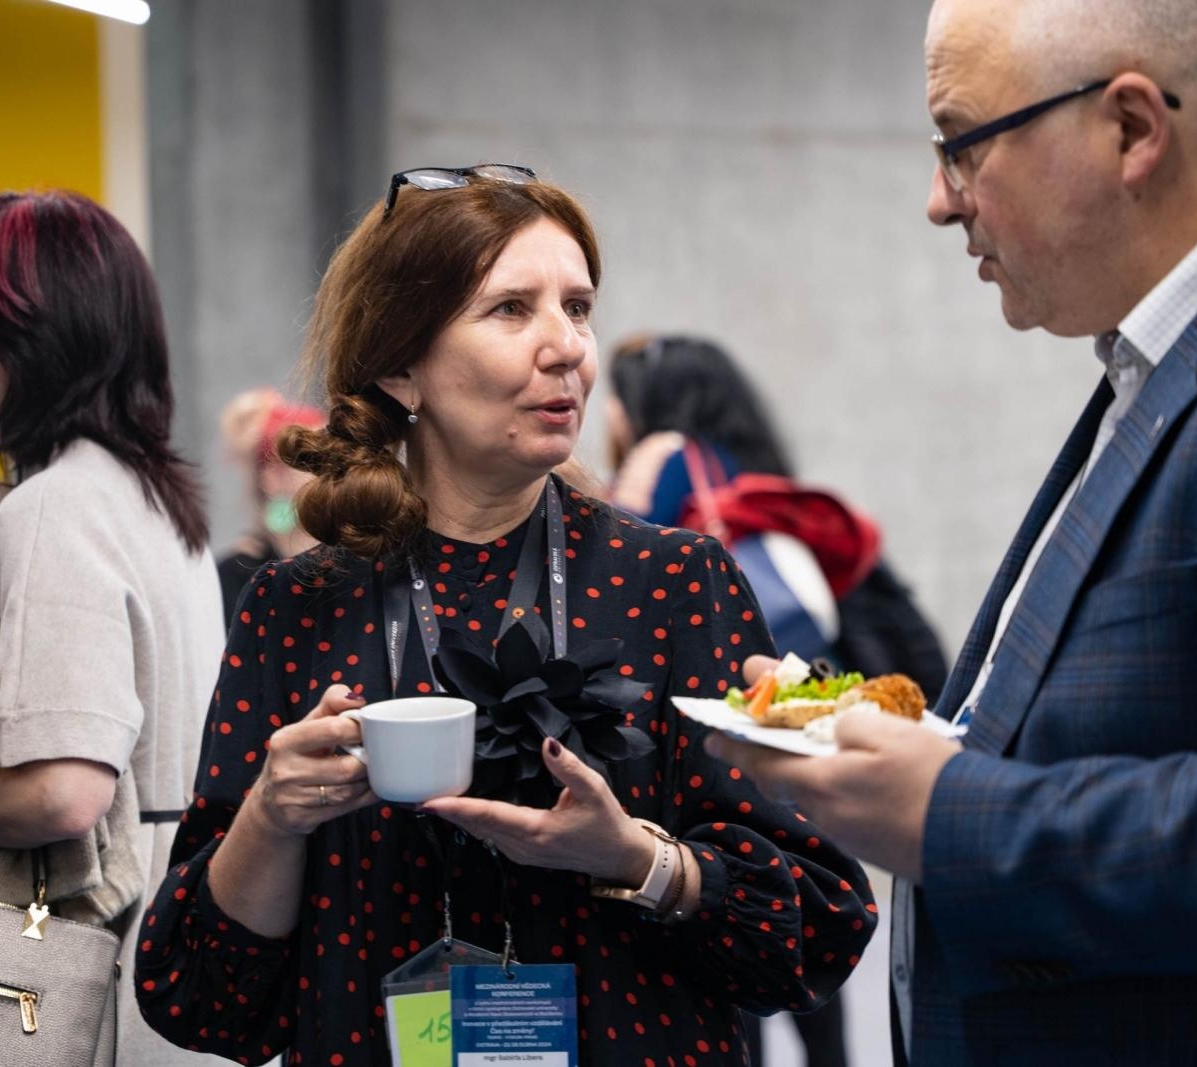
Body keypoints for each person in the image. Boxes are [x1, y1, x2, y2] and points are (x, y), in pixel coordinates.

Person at [710, 0, 1197, 1063]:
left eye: (960, 145)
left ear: (1132, 128)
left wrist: (946, 811)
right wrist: (891, 740)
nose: (936, 202)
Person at [134, 165, 877, 1065]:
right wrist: (271, 818)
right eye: (512, 310)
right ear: (403, 366)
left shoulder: (675, 582)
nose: (567, 346)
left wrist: (638, 860)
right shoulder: (300, 606)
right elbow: (199, 1000)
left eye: (578, 306)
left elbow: (819, 926)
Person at [0, 191, 225, 1065]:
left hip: (100, 970)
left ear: (26, 337)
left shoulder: (55, 509)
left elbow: (63, 789)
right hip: (180, 943)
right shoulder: (150, 494)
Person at [608, 334, 949, 701]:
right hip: (810, 656)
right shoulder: (746, 461)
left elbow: (620, 567)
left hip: (735, 671)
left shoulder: (669, 458)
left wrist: (623, 500)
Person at [214, 388, 325, 626]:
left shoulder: (354, 564)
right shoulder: (237, 576)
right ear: (272, 477)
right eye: (311, 459)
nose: (330, 468)